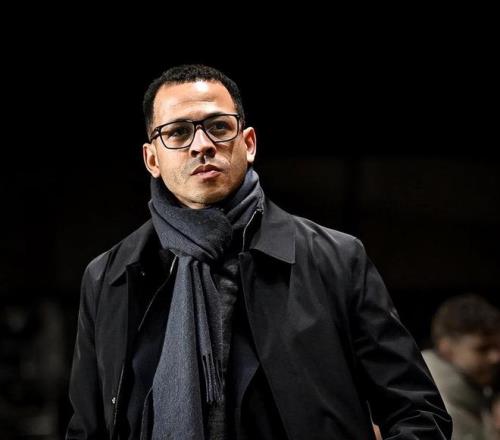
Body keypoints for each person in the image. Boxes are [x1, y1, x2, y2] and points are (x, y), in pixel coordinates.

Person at [66, 64, 452, 439]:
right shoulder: (110, 277)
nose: (202, 145)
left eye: (219, 127)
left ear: (248, 143)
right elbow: (87, 427)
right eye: (178, 132)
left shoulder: (335, 259)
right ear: (152, 159)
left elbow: (418, 414)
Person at [423, 294, 500, 440]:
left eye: (498, 346)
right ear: (446, 349)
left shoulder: (478, 397)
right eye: (483, 348)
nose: (496, 357)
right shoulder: (426, 406)